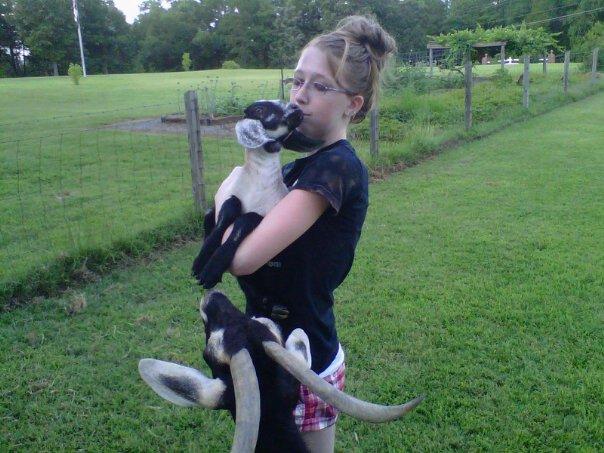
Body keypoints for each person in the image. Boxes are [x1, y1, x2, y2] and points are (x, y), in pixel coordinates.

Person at [223, 15, 396, 452]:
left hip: (306, 359)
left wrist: (236, 176)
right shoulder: (304, 164)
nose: (299, 96)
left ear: (353, 104)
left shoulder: (335, 169)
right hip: (269, 346)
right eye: (297, 81)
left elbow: (242, 258)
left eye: (319, 87)